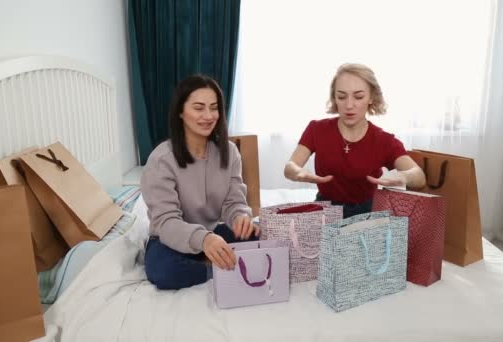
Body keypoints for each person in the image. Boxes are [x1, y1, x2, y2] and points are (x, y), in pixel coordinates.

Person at [141, 75, 259, 290]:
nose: (208, 116)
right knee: (162, 270)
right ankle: (214, 269)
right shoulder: (161, 160)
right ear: (180, 112)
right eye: (198, 108)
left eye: (214, 108)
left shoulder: (229, 152)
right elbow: (166, 222)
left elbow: (235, 202)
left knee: (261, 233)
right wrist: (203, 241)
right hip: (172, 237)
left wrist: (241, 216)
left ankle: (217, 260)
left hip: (213, 234)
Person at [284, 63, 426, 218]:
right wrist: (298, 173)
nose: (349, 105)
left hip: (366, 217)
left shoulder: (384, 140)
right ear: (334, 98)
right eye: (341, 97)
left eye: (358, 97)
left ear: (371, 97)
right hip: (325, 213)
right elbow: (290, 167)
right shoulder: (316, 129)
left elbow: (419, 176)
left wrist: (403, 177)